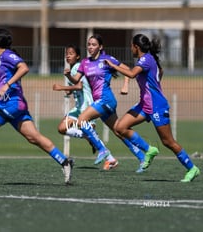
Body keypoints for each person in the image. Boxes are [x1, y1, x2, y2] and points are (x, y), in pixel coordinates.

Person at [0, 27, 73, 184]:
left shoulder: (8, 55)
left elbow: (24, 68)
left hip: (10, 103)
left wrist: (8, 84)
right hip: (16, 105)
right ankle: (65, 162)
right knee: (34, 138)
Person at [105, 34, 200, 182]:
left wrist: (113, 66)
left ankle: (192, 168)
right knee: (120, 127)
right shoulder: (149, 59)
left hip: (157, 106)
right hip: (145, 104)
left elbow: (131, 73)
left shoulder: (145, 59)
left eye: (131, 46)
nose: (131, 49)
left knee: (168, 142)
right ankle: (149, 150)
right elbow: (160, 72)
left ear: (136, 47)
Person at [64, 34, 146, 172]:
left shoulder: (107, 59)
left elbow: (129, 71)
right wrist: (68, 76)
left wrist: (125, 85)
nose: (90, 47)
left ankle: (103, 151)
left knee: (81, 121)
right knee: (119, 131)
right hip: (100, 102)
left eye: (94, 44)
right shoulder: (85, 63)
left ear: (100, 47)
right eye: (89, 44)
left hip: (107, 100)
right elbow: (76, 80)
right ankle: (142, 157)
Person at [53, 44, 118, 170]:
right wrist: (70, 91)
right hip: (78, 108)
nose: (68, 56)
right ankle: (91, 137)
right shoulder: (74, 69)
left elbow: (79, 86)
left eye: (71, 53)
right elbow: (79, 87)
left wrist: (62, 87)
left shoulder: (77, 67)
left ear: (77, 56)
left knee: (63, 128)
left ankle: (109, 157)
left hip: (86, 106)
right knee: (61, 128)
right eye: (67, 53)